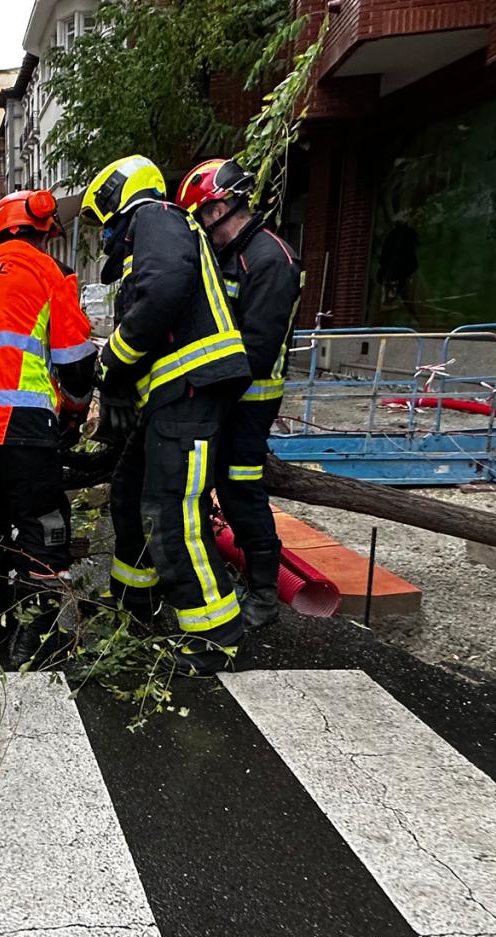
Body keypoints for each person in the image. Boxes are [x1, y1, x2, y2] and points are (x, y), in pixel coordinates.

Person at [84, 155, 251, 675]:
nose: (106, 232)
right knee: (132, 498)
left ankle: (215, 634)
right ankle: (135, 604)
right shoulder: (150, 232)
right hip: (172, 397)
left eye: (105, 219)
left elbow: (159, 297)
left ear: (117, 197)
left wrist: (113, 357)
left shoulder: (155, 217)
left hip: (193, 392)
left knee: (172, 513)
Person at [0, 189, 96, 667]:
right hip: (18, 422)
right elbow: (74, 359)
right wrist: (74, 409)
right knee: (44, 528)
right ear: (45, 231)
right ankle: (35, 641)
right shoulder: (46, 270)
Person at [176, 158, 304, 631]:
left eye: (203, 218)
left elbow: (255, 348)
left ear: (219, 208)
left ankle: (265, 595)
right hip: (224, 397)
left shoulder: (270, 259)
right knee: (203, 483)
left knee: (240, 490)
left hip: (250, 401)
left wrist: (201, 385)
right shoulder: (231, 255)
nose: (205, 230)